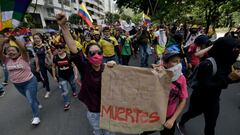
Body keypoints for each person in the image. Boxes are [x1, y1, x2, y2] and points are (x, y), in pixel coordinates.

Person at [56, 13, 116, 135]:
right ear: (87, 56)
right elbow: (73, 48)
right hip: (94, 112)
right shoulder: (85, 68)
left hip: (109, 111)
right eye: (92, 53)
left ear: (102, 54)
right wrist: (64, 27)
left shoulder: (108, 68)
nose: (96, 55)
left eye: (99, 52)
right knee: (98, 132)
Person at [178, 37, 240, 135]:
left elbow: (226, 80)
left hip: (214, 101)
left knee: (211, 125)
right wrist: (229, 79)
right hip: (199, 99)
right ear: (224, 49)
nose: (236, 52)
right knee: (191, 114)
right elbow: (205, 87)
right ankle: (181, 123)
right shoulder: (207, 65)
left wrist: (236, 78)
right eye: (234, 49)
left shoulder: (227, 63)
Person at [141, 47, 188, 135]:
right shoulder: (157, 74)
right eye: (174, 61)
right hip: (152, 115)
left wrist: (172, 120)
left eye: (179, 61)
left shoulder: (181, 79)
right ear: (165, 63)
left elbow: (183, 100)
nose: (178, 64)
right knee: (142, 132)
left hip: (168, 117)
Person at [0, 36, 41, 125]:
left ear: (18, 53)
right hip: (17, 85)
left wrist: (14, 39)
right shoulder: (6, 60)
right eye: (9, 51)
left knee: (30, 100)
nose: (11, 52)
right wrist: (3, 42)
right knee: (30, 97)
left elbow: (22, 48)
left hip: (29, 82)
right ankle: (37, 102)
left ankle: (36, 117)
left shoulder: (24, 58)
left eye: (13, 50)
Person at [52, 43, 78, 111]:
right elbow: (53, 67)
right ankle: (66, 103)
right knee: (65, 90)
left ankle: (74, 91)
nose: (59, 49)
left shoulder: (69, 56)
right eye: (57, 48)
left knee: (73, 85)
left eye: (61, 48)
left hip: (70, 75)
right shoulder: (55, 58)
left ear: (64, 49)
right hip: (62, 77)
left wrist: (75, 75)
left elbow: (74, 66)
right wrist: (54, 76)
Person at [33, 33, 52, 98]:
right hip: (41, 65)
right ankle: (48, 90)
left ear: (41, 38)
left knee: (53, 74)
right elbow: (36, 58)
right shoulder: (35, 48)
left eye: (37, 38)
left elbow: (50, 54)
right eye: (35, 38)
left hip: (48, 63)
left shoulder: (45, 45)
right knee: (45, 78)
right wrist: (37, 66)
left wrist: (52, 63)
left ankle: (60, 83)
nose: (36, 39)